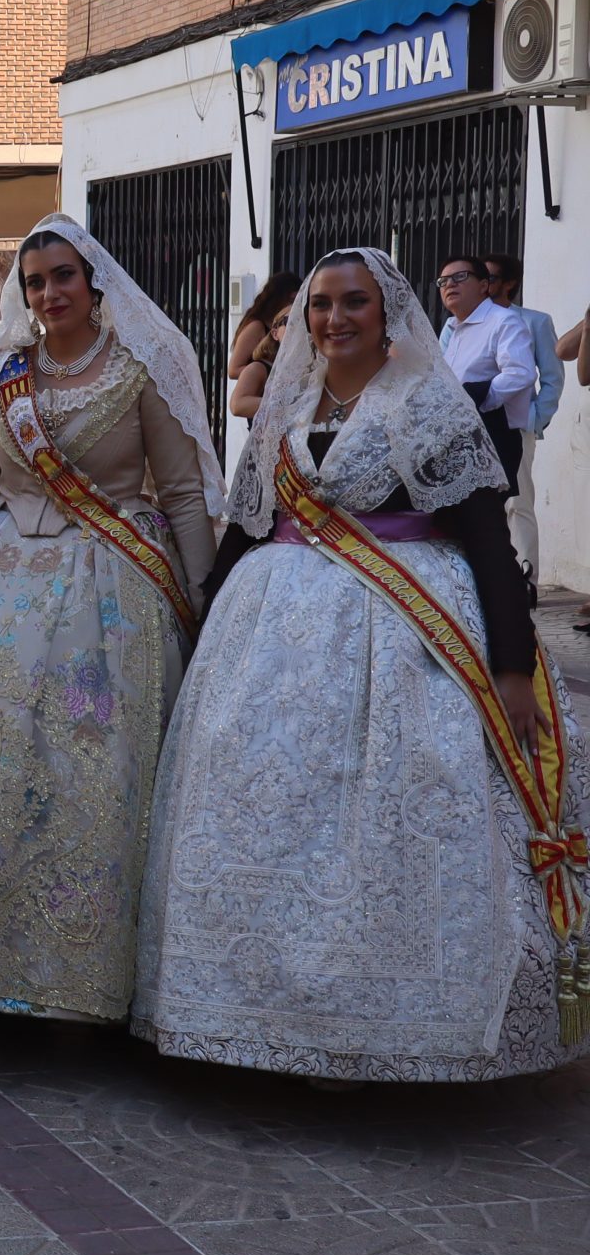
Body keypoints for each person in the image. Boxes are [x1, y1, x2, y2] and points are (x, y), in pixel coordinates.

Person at [140, 249, 588, 1081]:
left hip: (406, 635)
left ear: (387, 313)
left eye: (353, 302)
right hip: (268, 640)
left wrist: (512, 664)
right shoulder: (285, 406)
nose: (335, 317)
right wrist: (199, 626)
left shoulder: (429, 404)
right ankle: (251, 1010)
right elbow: (247, 527)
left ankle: (396, 1026)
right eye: (321, 304)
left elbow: (488, 540)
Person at [0, 216, 220, 1022]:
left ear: (93, 281)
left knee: (82, 767)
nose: (49, 292)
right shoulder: (4, 374)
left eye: (62, 275)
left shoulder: (141, 367)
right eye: (34, 281)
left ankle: (66, 974)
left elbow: (181, 492)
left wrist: (205, 600)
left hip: (108, 582)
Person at [485, 253, 558, 587]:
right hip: (472, 427)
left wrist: (536, 418)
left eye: (490, 278)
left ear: (509, 283)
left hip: (515, 425)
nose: (482, 284)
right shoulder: (459, 324)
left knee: (517, 501)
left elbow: (552, 377)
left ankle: (525, 582)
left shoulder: (534, 321)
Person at [437, 253, 532, 485]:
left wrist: (472, 401)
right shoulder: (453, 328)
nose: (450, 284)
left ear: (483, 285)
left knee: (484, 507)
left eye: (460, 277)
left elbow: (520, 373)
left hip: (490, 435)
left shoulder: (504, 321)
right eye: (443, 281)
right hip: (452, 435)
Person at [229, 271, 301, 383]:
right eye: (291, 300)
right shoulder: (256, 326)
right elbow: (233, 370)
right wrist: (269, 373)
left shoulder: (288, 325)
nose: (294, 306)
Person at [229, 303, 288, 420]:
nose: (296, 326)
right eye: (289, 321)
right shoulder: (259, 368)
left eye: (302, 321)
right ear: (275, 333)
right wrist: (290, 407)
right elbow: (237, 405)